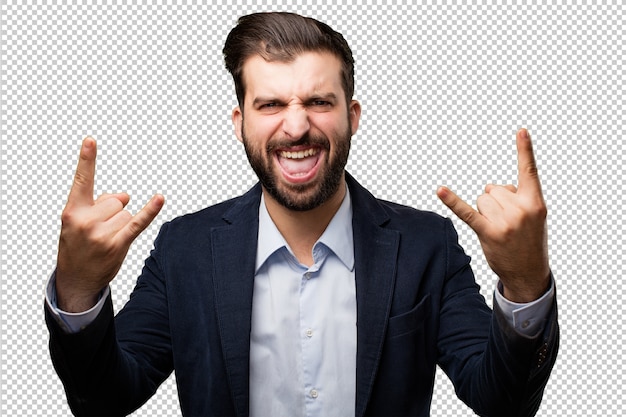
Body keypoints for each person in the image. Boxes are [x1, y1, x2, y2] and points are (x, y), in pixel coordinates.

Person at [45, 11, 559, 417]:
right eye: (270, 105)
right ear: (240, 121)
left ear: (352, 117)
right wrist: (77, 289)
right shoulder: (184, 250)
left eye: (318, 101)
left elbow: (501, 403)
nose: (296, 127)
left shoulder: (428, 246)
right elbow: (105, 399)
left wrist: (526, 281)